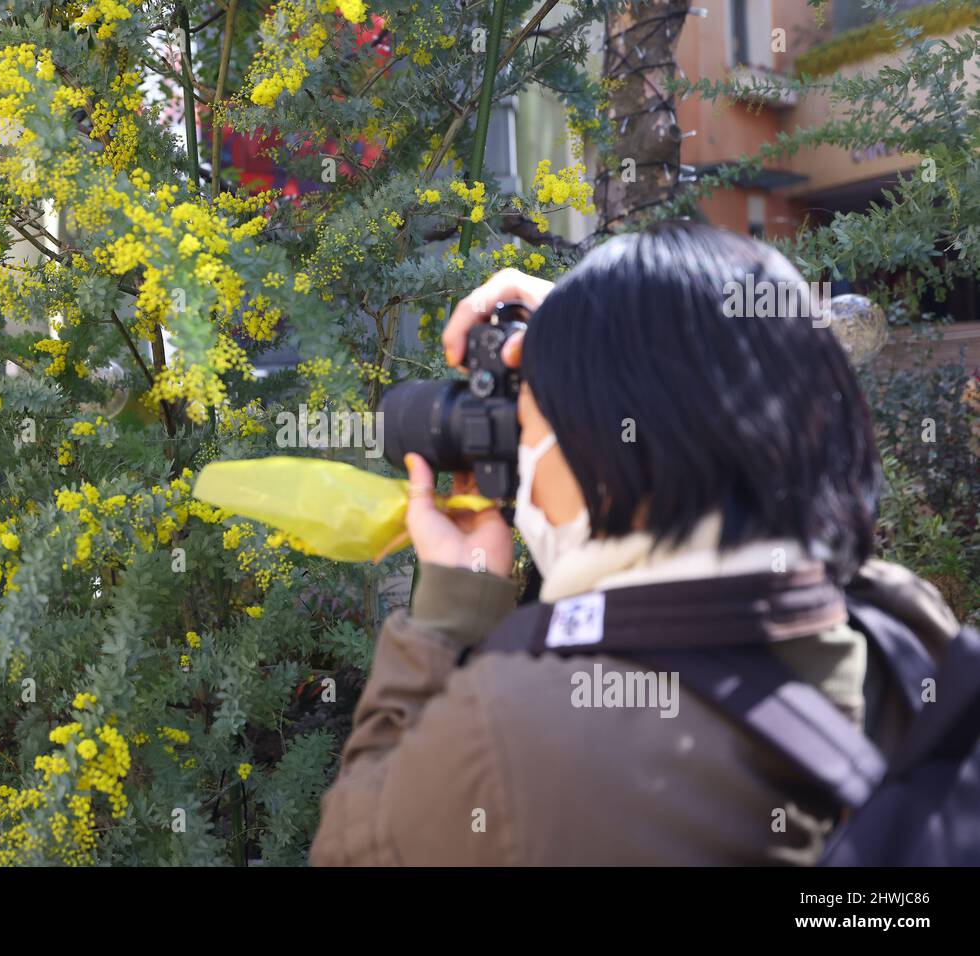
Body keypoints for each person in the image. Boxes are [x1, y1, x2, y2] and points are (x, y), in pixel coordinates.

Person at [309, 222, 959, 866]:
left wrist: (451, 612)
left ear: (600, 445)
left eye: (529, 421)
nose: (523, 457)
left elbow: (351, 849)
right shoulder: (904, 627)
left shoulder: (516, 737)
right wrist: (614, 329)